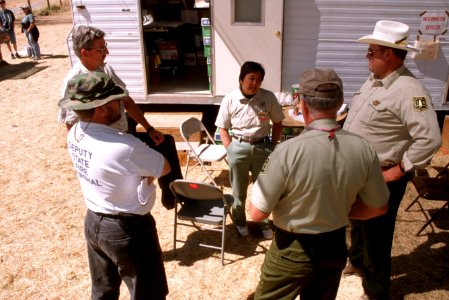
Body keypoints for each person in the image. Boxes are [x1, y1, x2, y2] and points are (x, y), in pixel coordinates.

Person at [249, 68, 390, 300]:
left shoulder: (286, 151)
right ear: (340, 103)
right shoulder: (364, 149)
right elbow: (379, 207)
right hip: (334, 246)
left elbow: (256, 213)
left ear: (302, 105)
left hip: (291, 249)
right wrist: (338, 209)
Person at [343, 20, 442, 299]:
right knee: (357, 222)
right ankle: (358, 263)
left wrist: (400, 169)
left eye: (371, 51)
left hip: (382, 173)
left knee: (377, 233)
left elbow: (430, 139)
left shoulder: (412, 92)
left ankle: (375, 292)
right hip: (358, 171)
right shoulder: (374, 80)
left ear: (388, 54)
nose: (367, 56)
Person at [59, 72, 170, 299]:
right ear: (101, 107)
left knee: (103, 291)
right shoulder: (124, 146)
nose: (121, 103)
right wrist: (145, 177)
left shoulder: (76, 133)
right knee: (148, 293)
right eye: (116, 99)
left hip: (94, 221)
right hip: (128, 229)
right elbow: (164, 167)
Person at [58, 25, 182, 209]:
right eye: (101, 49)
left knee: (165, 142)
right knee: (131, 187)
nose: (106, 52)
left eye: (105, 46)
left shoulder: (105, 70)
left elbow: (127, 101)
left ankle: (172, 193)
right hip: (107, 146)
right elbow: (71, 127)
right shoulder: (74, 83)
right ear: (84, 52)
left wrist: (149, 128)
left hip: (122, 131)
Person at [215, 61, 284, 239]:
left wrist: (273, 146)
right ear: (241, 79)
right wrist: (230, 149)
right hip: (238, 147)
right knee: (238, 189)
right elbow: (222, 127)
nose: (254, 83)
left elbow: (278, 122)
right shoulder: (230, 99)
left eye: (258, 80)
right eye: (251, 78)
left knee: (264, 187)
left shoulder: (268, 98)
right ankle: (240, 221)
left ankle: (261, 222)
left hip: (263, 147)